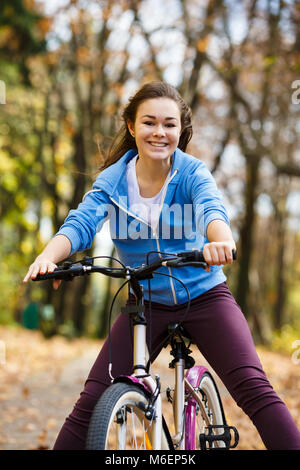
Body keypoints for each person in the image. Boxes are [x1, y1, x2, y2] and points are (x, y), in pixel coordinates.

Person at [23, 81, 300, 450]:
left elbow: (211, 210)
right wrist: (48, 257)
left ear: (180, 130)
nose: (160, 132)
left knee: (255, 391)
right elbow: (81, 223)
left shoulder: (191, 173)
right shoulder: (113, 181)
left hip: (203, 296)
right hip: (146, 303)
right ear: (132, 126)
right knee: (90, 404)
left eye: (169, 124)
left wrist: (220, 240)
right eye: (150, 122)